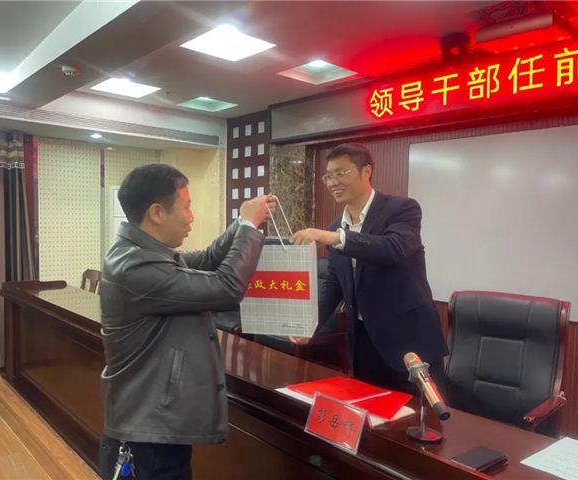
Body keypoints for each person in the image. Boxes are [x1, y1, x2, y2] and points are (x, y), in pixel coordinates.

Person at [99, 163, 275, 480]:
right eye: (186, 207)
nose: (191, 217)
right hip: (147, 434)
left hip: (153, 422)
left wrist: (241, 223)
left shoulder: (144, 253)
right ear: (157, 213)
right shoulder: (135, 266)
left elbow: (207, 259)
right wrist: (249, 226)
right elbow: (226, 287)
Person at [290, 143, 448, 395]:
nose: (333, 182)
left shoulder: (402, 208)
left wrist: (336, 238)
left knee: (421, 414)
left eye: (341, 173)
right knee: (370, 408)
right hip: (363, 341)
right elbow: (334, 283)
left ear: (366, 171)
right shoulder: (335, 227)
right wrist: (309, 325)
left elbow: (393, 248)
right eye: (328, 176)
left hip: (409, 340)